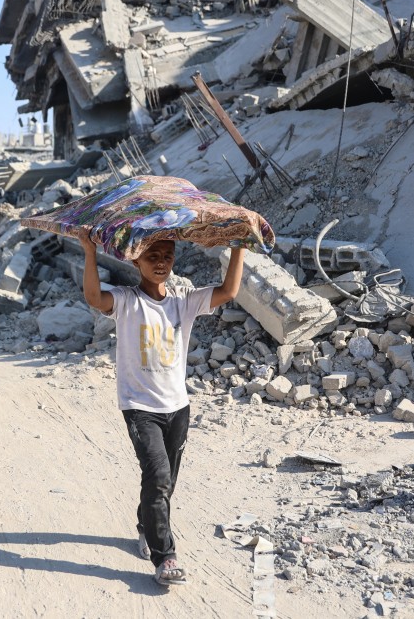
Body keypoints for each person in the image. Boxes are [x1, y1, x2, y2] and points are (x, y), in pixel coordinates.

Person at [81, 233, 245, 586]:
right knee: (157, 477)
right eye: (152, 255)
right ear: (136, 260)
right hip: (139, 407)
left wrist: (238, 247)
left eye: (167, 256)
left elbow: (228, 291)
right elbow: (94, 297)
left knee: (164, 482)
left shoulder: (183, 301)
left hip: (178, 407)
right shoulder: (127, 300)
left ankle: (145, 525)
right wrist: (89, 252)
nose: (160, 262)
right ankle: (165, 556)